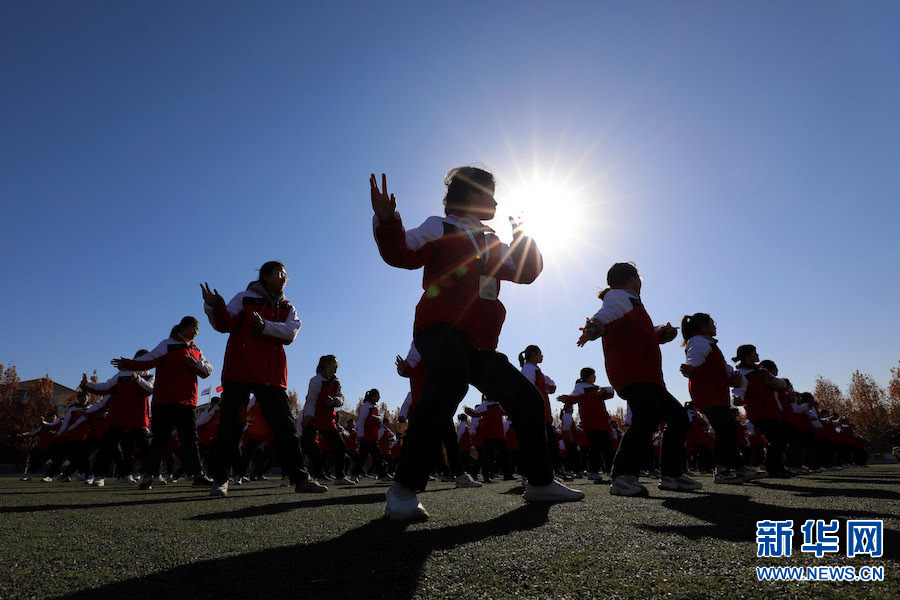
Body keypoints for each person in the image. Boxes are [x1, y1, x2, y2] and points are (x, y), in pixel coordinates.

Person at [371, 167, 583, 520]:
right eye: (490, 192)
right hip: (438, 328)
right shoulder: (440, 226)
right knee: (450, 382)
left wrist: (523, 235)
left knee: (527, 399)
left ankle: (541, 483)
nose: (497, 201)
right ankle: (403, 488)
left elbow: (526, 272)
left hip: (479, 342)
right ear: (471, 195)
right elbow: (402, 254)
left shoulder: (491, 240)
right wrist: (387, 218)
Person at [202, 262, 325, 497]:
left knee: (286, 429)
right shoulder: (244, 297)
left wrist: (264, 326)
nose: (285, 278)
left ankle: (301, 479)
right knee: (230, 428)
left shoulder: (288, 306)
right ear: (266, 275)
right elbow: (224, 323)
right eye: (281, 273)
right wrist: (214, 305)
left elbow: (291, 333)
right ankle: (220, 480)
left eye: (286, 274)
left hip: (271, 375)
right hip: (239, 371)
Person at [577, 262, 701, 496]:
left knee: (678, 418)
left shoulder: (631, 303)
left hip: (647, 376)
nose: (640, 282)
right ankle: (623, 476)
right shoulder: (619, 296)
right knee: (646, 420)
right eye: (639, 277)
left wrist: (660, 333)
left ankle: (672, 475)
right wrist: (593, 327)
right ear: (633, 279)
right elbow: (605, 315)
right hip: (634, 373)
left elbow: (636, 331)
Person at [112, 317, 215, 490]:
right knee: (160, 440)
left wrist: (194, 363)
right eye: (192, 327)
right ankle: (148, 476)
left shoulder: (196, 350)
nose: (196, 331)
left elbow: (208, 370)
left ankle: (198, 475)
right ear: (182, 328)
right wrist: (128, 364)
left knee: (191, 440)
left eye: (197, 329)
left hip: (188, 402)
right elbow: (148, 360)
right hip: (164, 401)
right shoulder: (168, 344)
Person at [678, 313, 757, 484]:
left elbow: (720, 368)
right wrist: (689, 368)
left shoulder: (706, 342)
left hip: (713, 394)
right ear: (703, 326)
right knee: (727, 429)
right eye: (712, 323)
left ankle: (739, 468)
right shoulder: (699, 341)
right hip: (708, 394)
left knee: (728, 429)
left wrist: (731, 378)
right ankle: (722, 470)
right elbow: (694, 360)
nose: (715, 326)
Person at [80, 355, 154, 486]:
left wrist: (137, 379)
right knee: (108, 448)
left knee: (144, 450)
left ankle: (151, 475)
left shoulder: (149, 376)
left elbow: (150, 389)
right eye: (139, 359)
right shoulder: (122, 374)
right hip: (118, 417)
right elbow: (105, 387)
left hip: (138, 419)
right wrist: (87, 384)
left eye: (145, 359)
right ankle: (99, 477)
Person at [301, 355, 354, 485]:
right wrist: (308, 416)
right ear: (325, 364)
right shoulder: (316, 380)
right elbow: (311, 400)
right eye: (334, 363)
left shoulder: (336, 381)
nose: (337, 366)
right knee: (305, 448)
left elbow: (341, 398)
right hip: (314, 419)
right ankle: (292, 475)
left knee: (340, 446)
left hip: (328, 421)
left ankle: (340, 477)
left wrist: (334, 401)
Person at [557, 367, 615, 481]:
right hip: (591, 422)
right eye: (593, 375)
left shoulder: (597, 388)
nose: (595, 377)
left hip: (602, 423)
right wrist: (566, 398)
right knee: (596, 448)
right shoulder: (581, 387)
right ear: (587, 376)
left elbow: (611, 392)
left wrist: (604, 390)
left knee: (607, 447)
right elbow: (574, 397)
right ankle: (593, 471)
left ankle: (609, 470)